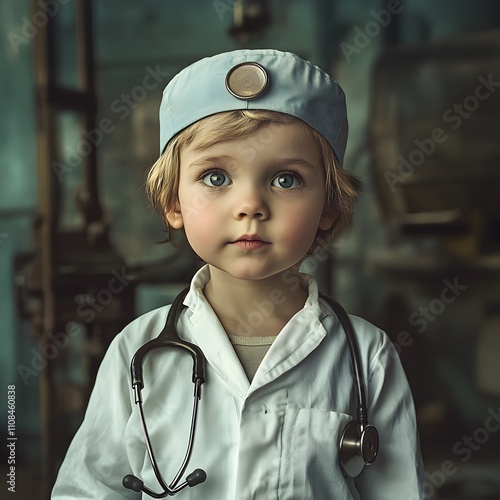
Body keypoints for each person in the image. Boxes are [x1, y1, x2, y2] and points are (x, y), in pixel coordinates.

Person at [52, 49, 427, 499]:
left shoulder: (368, 356)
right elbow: (88, 490)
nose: (250, 205)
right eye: (215, 178)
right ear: (174, 202)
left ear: (328, 206)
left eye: (286, 179)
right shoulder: (136, 351)